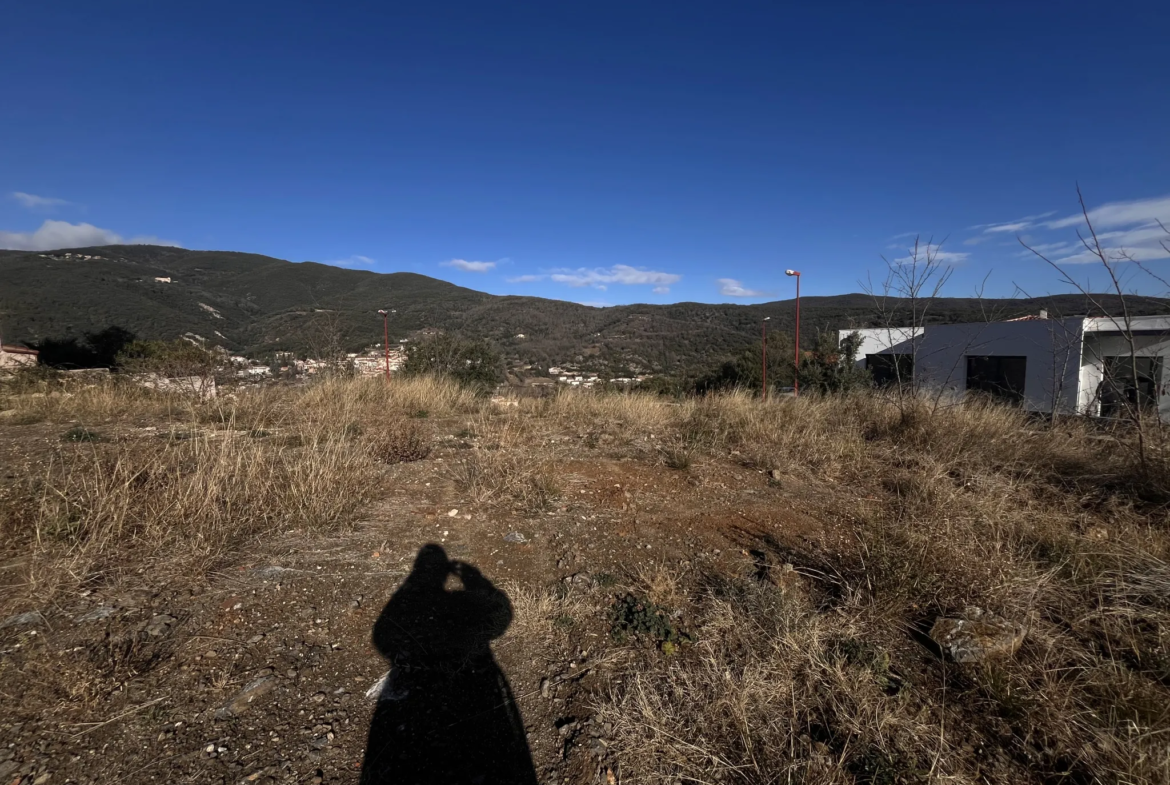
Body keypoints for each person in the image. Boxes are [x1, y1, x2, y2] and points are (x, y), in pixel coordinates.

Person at [360, 544, 537, 784]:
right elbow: (501, 617)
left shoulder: (405, 605)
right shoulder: (449, 607)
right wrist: (475, 580)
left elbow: (382, 636)